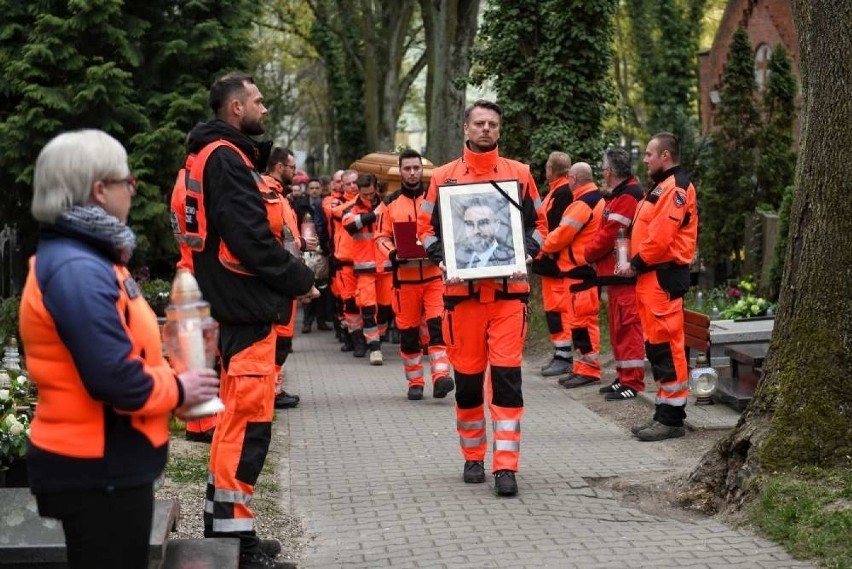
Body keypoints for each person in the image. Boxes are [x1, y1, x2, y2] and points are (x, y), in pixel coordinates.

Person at [19, 129, 220, 569]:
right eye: (126, 182)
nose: (132, 191)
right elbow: (114, 378)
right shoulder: (77, 269)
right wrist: (182, 389)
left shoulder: (91, 260)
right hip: (96, 469)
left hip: (106, 463)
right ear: (99, 190)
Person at [185, 72, 315, 568]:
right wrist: (298, 279)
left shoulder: (209, 155)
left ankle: (226, 533)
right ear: (236, 108)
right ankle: (237, 548)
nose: (265, 108)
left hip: (232, 307)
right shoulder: (227, 159)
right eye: (258, 101)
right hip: (247, 308)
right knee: (246, 433)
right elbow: (249, 241)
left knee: (234, 429)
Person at [418, 99, 546, 497]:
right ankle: (473, 457)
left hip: (509, 297)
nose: (486, 129)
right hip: (462, 298)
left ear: (499, 130)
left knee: (507, 382)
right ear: (465, 128)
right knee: (469, 384)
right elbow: (425, 227)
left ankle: (505, 467)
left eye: (492, 123)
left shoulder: (520, 174)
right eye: (479, 123)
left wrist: (527, 251)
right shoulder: (442, 178)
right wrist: (442, 256)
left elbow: (540, 224)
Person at [616, 132, 698, 441]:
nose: (646, 158)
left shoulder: (675, 188)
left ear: (665, 156)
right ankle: (664, 412)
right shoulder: (662, 186)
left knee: (666, 345)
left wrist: (634, 263)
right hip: (651, 278)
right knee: (656, 345)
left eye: (650, 154)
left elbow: (661, 238)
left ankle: (672, 417)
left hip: (661, 276)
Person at [375, 149, 452, 400]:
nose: (412, 172)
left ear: (422, 170)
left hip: (432, 277)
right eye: (407, 168)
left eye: (416, 168)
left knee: (437, 328)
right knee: (408, 334)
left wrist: (441, 251)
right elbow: (380, 237)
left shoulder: (436, 199)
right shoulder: (389, 203)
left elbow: (448, 230)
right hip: (404, 280)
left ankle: (441, 376)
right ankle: (415, 382)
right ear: (401, 170)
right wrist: (393, 253)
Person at [584, 147, 646, 401]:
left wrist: (587, 253)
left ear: (609, 172)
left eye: (603, 169)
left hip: (624, 274)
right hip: (615, 273)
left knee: (629, 327)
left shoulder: (628, 196)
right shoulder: (621, 194)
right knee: (619, 327)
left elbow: (609, 233)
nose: (602, 173)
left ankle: (633, 381)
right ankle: (624, 377)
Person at [540, 162, 604, 390]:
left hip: (579, 272)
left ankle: (589, 369)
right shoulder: (593, 199)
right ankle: (582, 367)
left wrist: (541, 247)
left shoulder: (583, 203)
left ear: (574, 179)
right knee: (579, 324)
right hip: (581, 272)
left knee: (583, 324)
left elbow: (561, 235)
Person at [262, 147, 315, 410]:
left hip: (287, 274)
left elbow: (286, 237)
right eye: (292, 167)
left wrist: (302, 244)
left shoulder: (280, 196)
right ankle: (271, 390)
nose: (294, 172)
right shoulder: (267, 193)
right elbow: (272, 237)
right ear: (279, 166)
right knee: (279, 338)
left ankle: (275, 388)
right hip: (279, 276)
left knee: (283, 338)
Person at [532, 151, 575, 377]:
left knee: (559, 310)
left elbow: (559, 228)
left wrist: (547, 249)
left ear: (552, 169)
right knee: (554, 310)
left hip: (556, 263)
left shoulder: (563, 193)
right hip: (551, 263)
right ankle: (561, 353)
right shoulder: (558, 191)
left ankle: (564, 355)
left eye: (547, 167)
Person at [342, 173, 393, 365]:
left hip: (386, 266)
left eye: (371, 193)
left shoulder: (386, 205)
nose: (368, 197)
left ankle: (377, 337)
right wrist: (372, 214)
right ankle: (375, 348)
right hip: (365, 269)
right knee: (368, 308)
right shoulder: (352, 208)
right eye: (364, 194)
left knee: (387, 308)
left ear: (376, 188)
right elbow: (350, 225)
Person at [454, 197, 516, 268]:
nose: (476, 231)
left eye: (483, 223)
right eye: (469, 224)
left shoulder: (511, 259)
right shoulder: (457, 260)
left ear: (496, 225)